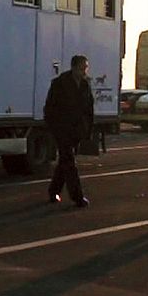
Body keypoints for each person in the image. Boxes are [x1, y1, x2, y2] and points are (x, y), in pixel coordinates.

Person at [44, 54, 94, 208]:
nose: (84, 71)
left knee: (65, 162)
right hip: (62, 129)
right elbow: (50, 108)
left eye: (85, 67)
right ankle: (77, 197)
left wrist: (88, 129)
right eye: (82, 68)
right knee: (69, 162)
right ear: (73, 68)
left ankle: (53, 191)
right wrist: (54, 127)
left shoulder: (85, 85)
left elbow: (89, 109)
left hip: (77, 130)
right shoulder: (59, 84)